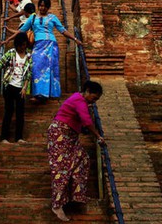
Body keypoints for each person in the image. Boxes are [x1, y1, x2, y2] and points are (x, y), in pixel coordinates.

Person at [47, 81, 105, 222]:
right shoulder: (79, 100)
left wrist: (88, 106)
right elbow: (86, 121)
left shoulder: (80, 101)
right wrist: (98, 136)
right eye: (94, 98)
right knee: (61, 168)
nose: (94, 101)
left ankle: (77, 194)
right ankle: (57, 205)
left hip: (70, 136)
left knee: (82, 159)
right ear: (88, 91)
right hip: (60, 134)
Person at [14, 0, 81, 100]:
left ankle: (48, 94)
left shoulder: (52, 17)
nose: (42, 8)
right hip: (38, 45)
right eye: (40, 5)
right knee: (36, 67)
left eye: (45, 6)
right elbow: (22, 30)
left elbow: (62, 30)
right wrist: (7, 40)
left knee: (51, 68)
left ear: (48, 7)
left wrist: (75, 38)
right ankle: (39, 93)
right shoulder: (33, 18)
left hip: (51, 45)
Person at [0, 32, 32, 144]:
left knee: (20, 113)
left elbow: (29, 74)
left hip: (20, 88)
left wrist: (25, 88)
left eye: (24, 45)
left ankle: (19, 138)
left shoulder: (29, 56)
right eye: (21, 45)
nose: (22, 47)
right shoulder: (11, 53)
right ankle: (4, 138)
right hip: (9, 85)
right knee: (9, 111)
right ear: (17, 45)